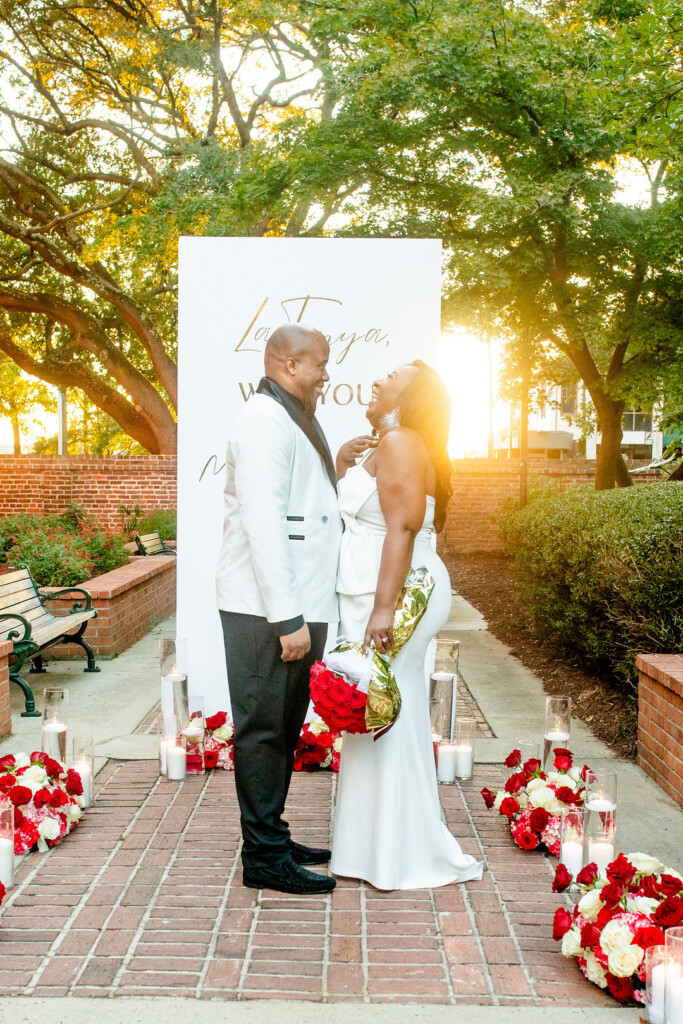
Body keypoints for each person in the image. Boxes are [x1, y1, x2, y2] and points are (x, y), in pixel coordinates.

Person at [330, 360, 484, 889]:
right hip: (379, 589)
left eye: (391, 374)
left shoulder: (401, 443)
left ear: (411, 394)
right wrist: (342, 462)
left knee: (387, 716)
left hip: (397, 593)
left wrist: (383, 607)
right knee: (378, 716)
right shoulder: (388, 442)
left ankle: (401, 854)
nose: (377, 378)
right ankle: (370, 850)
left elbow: (402, 525)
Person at [216, 323, 342, 895]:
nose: (325, 373)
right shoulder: (265, 421)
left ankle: (272, 832)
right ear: (289, 364)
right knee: (264, 730)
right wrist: (288, 620)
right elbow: (266, 527)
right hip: (268, 612)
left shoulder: (286, 415)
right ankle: (263, 858)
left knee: (283, 728)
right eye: (319, 362)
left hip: (291, 603)